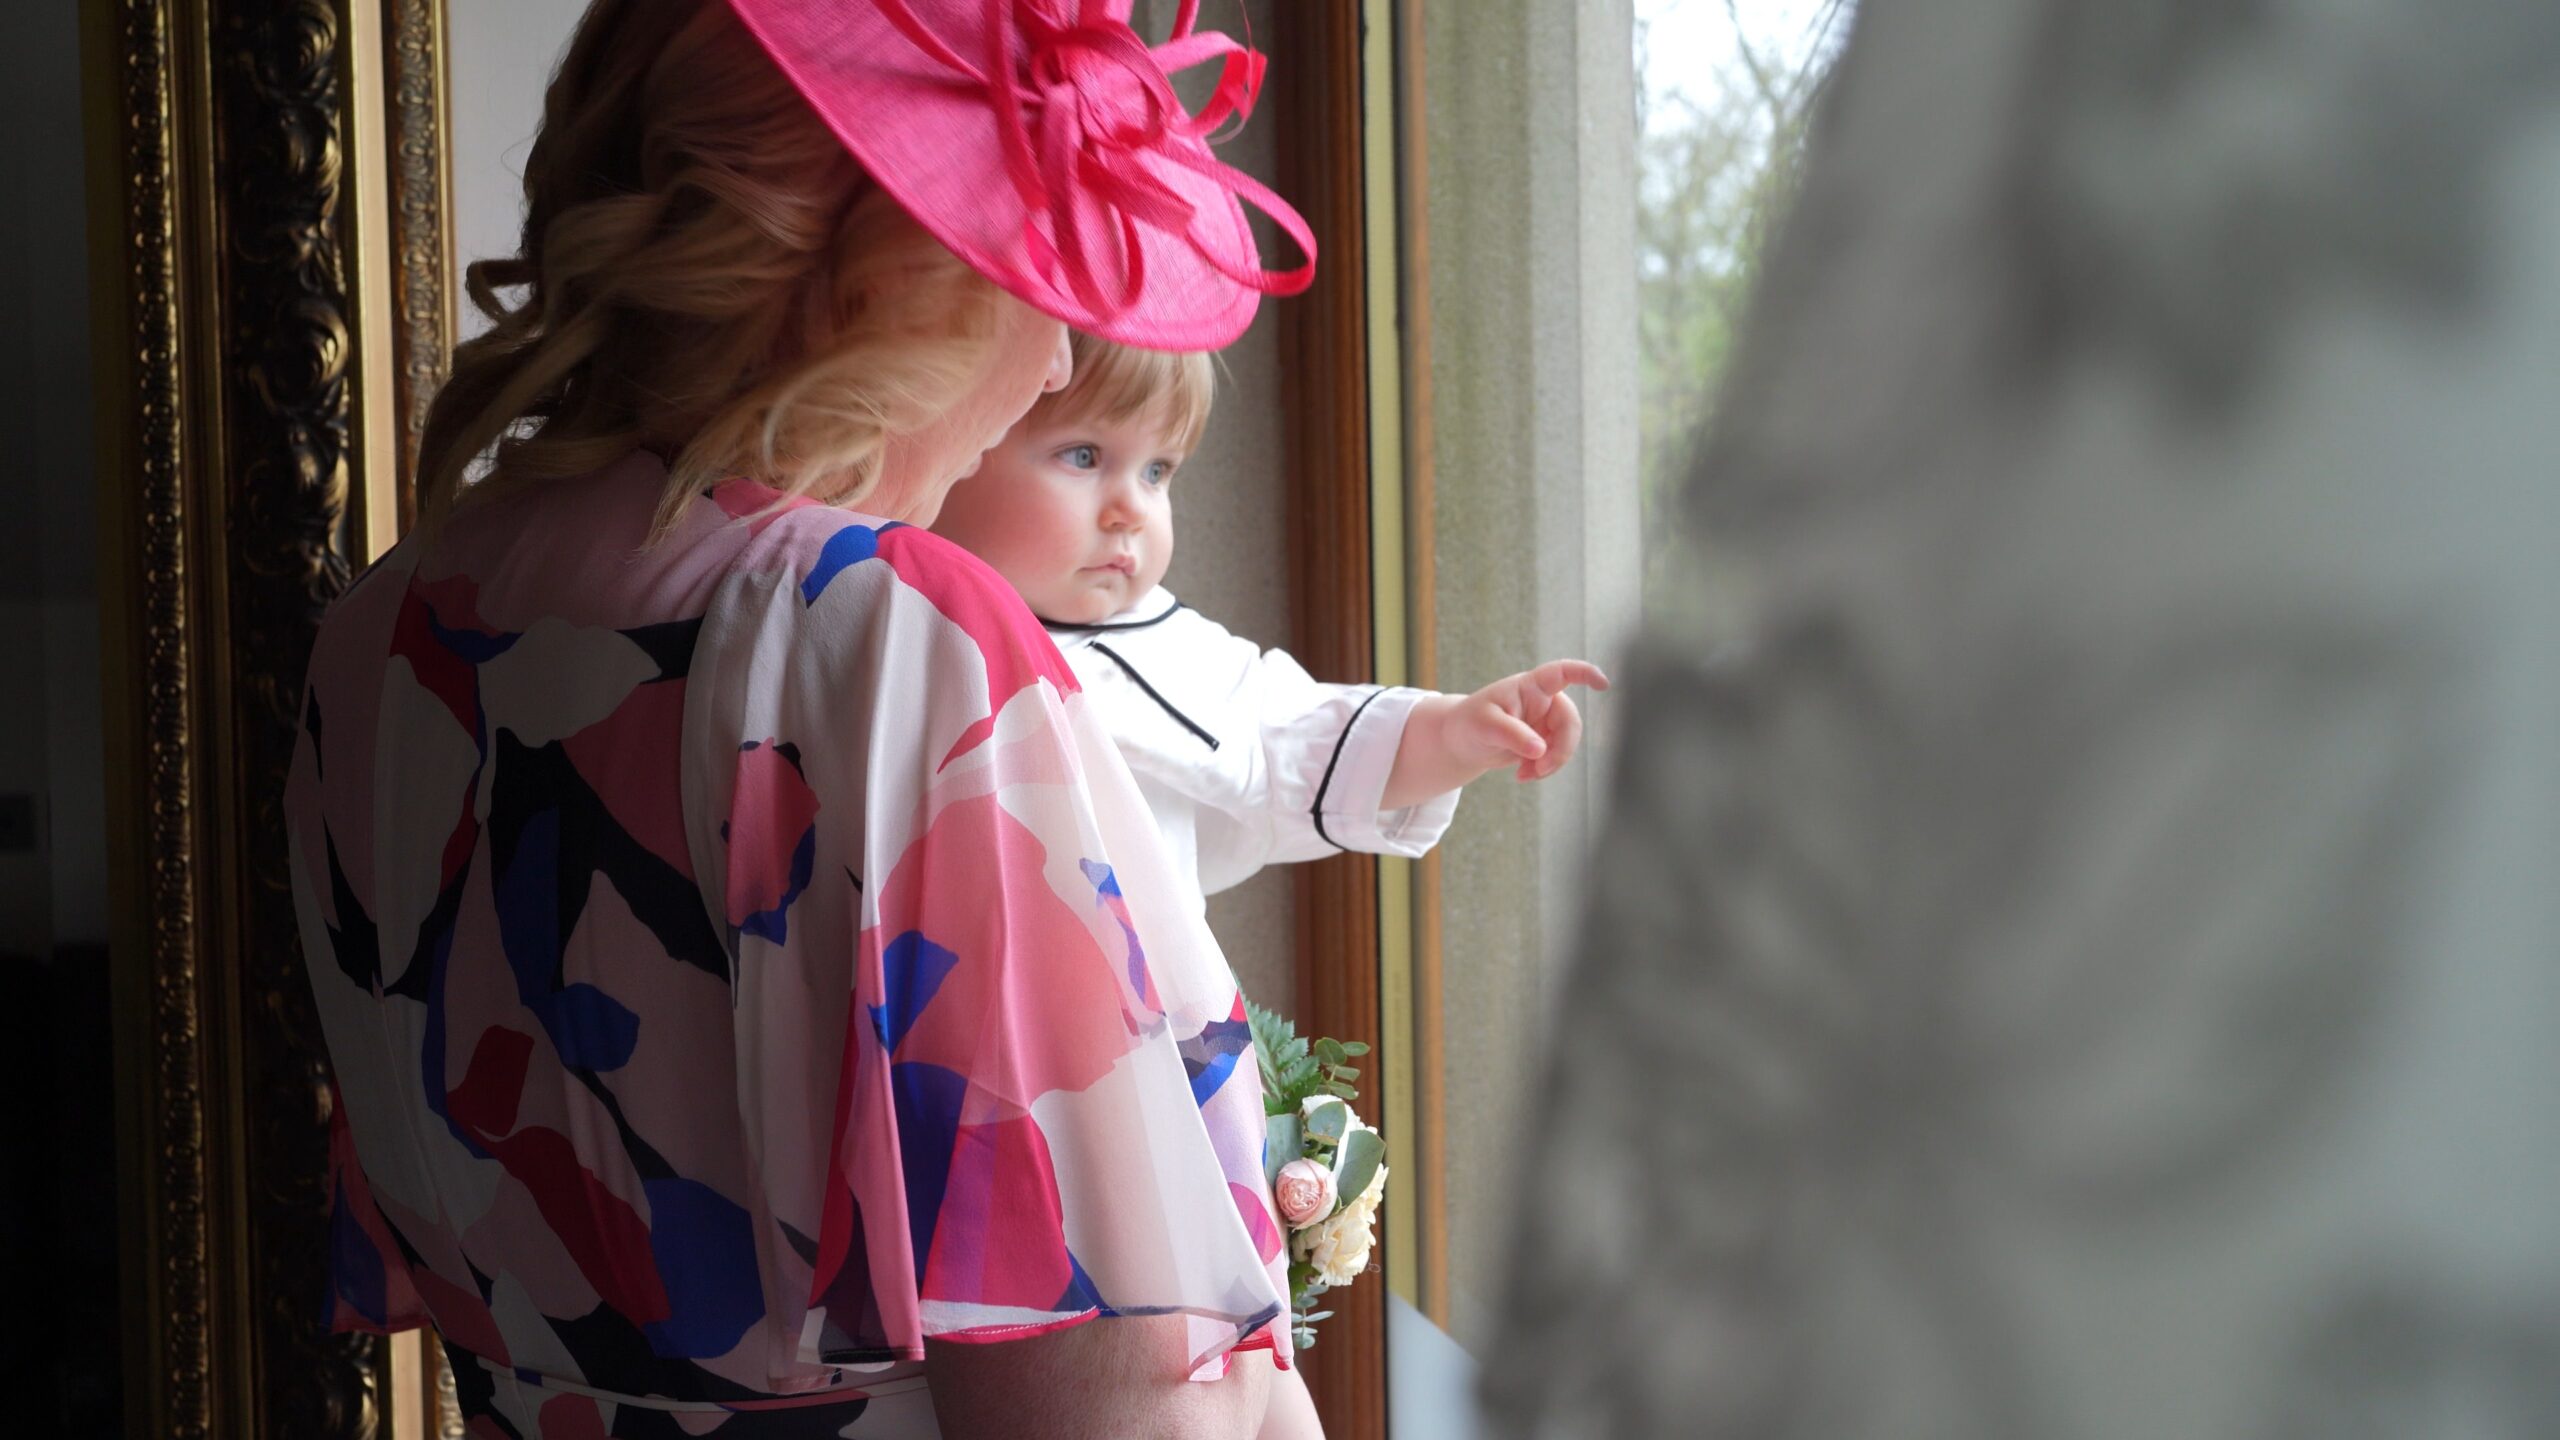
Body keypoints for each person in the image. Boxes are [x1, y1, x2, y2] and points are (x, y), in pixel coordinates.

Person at [281, 1, 1326, 1435]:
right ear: (889, 272)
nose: (1040, 368)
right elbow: (1105, 1405)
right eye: (1030, 279)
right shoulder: (889, 637)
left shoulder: (382, 637)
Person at [931, 334, 1608, 916]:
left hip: (1107, 1038)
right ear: (952, 445)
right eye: (1083, 456)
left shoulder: (1160, 651)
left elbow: (1293, 739)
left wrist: (1457, 733)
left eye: (1158, 471)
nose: (1131, 509)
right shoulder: (876, 615)